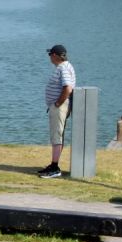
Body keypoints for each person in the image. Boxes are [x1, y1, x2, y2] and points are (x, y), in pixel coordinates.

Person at [39, 43, 75, 178]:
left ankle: (55, 168)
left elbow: (68, 88)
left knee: (57, 136)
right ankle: (53, 164)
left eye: (50, 54)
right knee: (57, 135)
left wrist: (58, 103)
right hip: (59, 106)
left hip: (60, 107)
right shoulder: (65, 67)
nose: (49, 57)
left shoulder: (63, 68)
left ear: (54, 55)